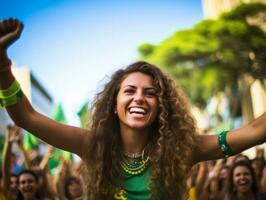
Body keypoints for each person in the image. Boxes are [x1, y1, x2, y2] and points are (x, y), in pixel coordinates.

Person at [0, 18, 266, 200]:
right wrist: (2, 64)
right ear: (114, 105)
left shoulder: (183, 149)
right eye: (130, 91)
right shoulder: (93, 144)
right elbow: (26, 117)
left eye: (151, 93)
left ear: (161, 107)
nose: (139, 98)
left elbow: (254, 131)